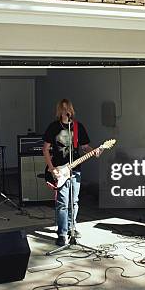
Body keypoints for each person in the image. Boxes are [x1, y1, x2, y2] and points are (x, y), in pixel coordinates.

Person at [43, 99, 100, 247]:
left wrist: (94, 151)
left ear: (71, 110)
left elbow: (85, 147)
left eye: (67, 108)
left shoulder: (77, 127)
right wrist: (51, 168)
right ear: (59, 110)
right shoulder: (53, 127)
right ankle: (61, 233)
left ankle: (71, 228)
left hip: (75, 170)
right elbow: (45, 149)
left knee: (74, 202)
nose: (65, 111)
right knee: (62, 203)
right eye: (62, 109)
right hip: (59, 170)